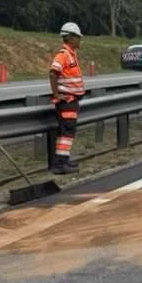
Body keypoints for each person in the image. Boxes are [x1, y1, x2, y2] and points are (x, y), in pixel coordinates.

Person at [48, 21, 86, 174]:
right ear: (70, 37)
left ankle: (64, 161)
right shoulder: (63, 55)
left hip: (71, 101)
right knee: (67, 132)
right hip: (67, 101)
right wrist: (57, 94)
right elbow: (53, 72)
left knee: (67, 133)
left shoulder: (71, 55)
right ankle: (60, 165)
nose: (79, 40)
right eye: (77, 37)